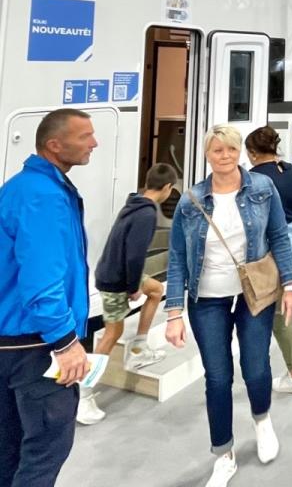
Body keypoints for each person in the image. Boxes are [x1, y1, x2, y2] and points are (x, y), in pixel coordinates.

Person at [165, 124, 292, 487]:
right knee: (218, 377)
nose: (224, 156)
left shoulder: (262, 187)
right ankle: (223, 453)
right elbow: (176, 257)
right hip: (207, 299)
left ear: (240, 152)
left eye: (230, 149)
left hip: (255, 293)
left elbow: (278, 237)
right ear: (207, 155)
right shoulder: (191, 200)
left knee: (255, 367)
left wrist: (290, 285)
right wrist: (173, 312)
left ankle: (262, 420)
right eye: (217, 150)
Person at [0, 108, 96, 487]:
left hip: (10, 344)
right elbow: (42, 280)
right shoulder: (44, 196)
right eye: (85, 136)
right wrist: (65, 342)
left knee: (10, 451)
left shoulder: (22, 187)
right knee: (44, 451)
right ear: (55, 145)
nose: (94, 143)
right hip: (35, 348)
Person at [80, 162, 177, 425]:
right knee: (112, 334)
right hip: (115, 279)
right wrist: (133, 287)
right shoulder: (146, 215)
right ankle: (84, 394)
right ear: (168, 188)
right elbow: (135, 256)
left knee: (156, 290)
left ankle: (139, 349)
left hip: (114, 271)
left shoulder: (135, 203)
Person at [245, 127, 292, 396]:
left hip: (267, 253)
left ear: (252, 153)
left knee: (278, 315)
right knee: (279, 309)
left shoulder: (252, 179)